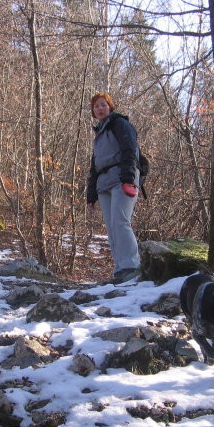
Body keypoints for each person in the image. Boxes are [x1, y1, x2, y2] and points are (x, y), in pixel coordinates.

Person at [86, 93, 141, 284]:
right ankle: (120, 269)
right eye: (96, 107)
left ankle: (132, 267)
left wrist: (128, 177)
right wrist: (91, 195)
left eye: (103, 105)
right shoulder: (99, 134)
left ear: (110, 107)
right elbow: (95, 167)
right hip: (104, 184)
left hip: (121, 178)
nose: (100, 108)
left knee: (120, 222)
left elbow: (130, 149)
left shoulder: (120, 124)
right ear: (93, 112)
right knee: (111, 228)